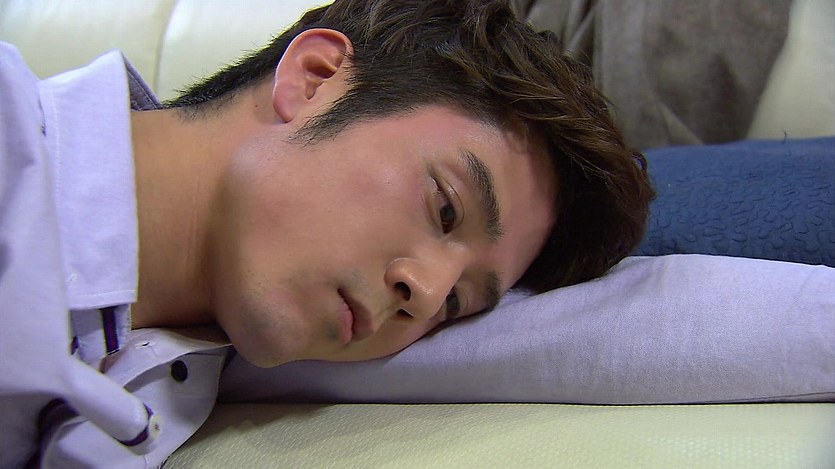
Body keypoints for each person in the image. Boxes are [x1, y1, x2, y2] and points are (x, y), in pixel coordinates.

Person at [0, 0, 653, 466]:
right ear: (313, 79)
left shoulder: (172, 381)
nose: (426, 294)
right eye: (445, 208)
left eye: (457, 303)